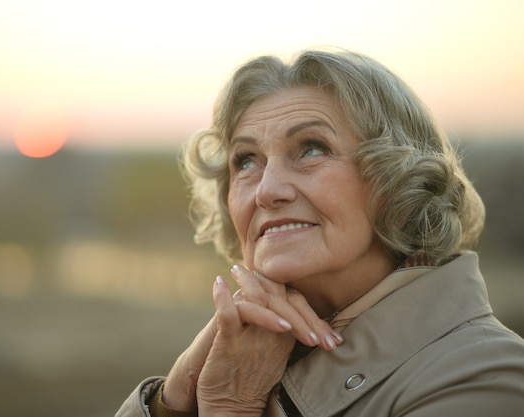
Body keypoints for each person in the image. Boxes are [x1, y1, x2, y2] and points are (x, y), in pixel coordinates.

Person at [116, 48, 524, 416]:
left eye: (311, 149)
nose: (267, 190)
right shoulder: (240, 358)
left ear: (398, 179)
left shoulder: (484, 374)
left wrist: (230, 407)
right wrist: (173, 398)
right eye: (245, 161)